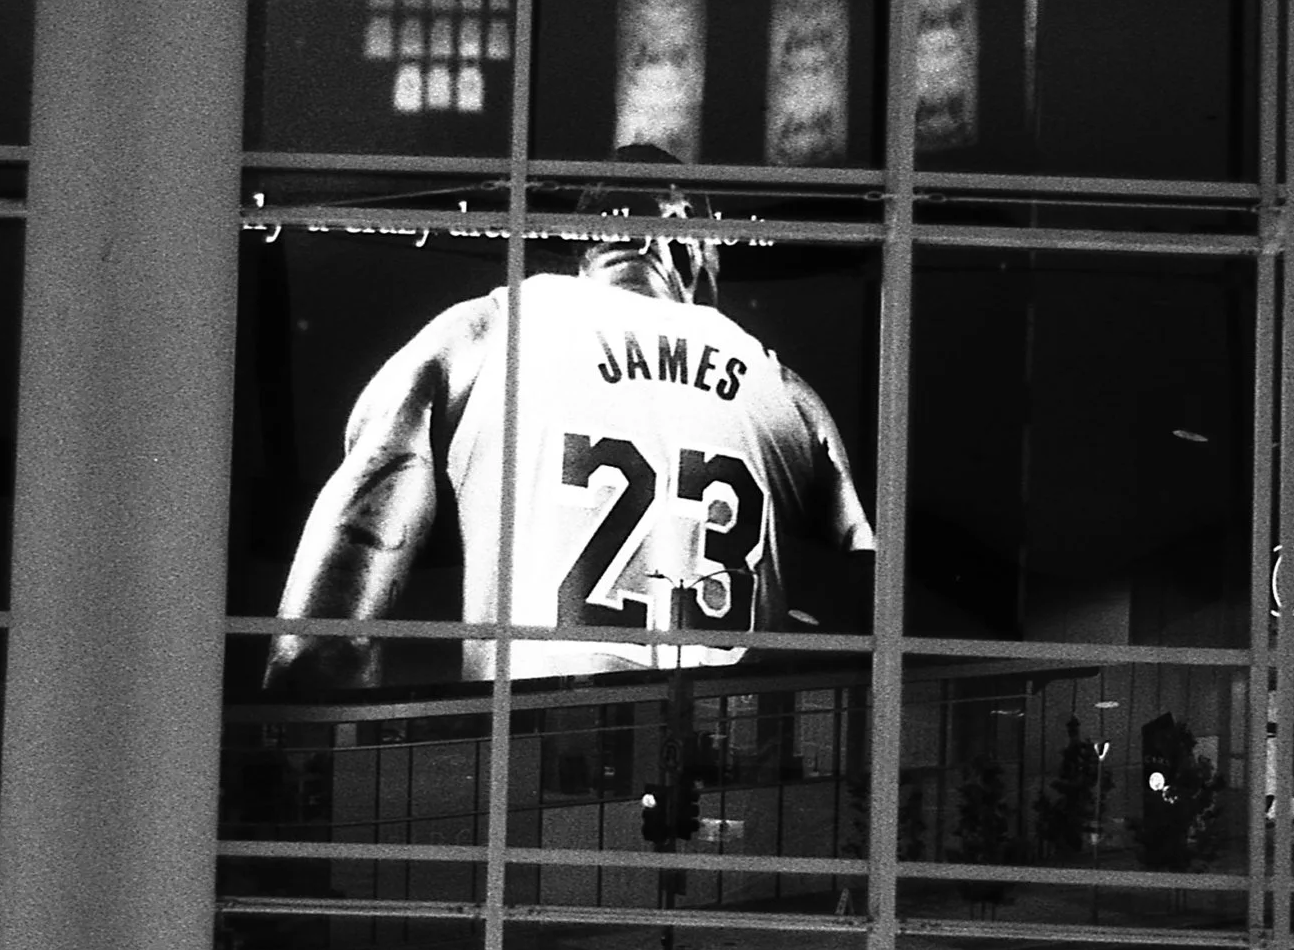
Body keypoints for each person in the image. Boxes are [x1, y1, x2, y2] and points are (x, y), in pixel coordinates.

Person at [267, 161, 875, 692]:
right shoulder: (787, 393)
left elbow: (353, 559)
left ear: (590, 246)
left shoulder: (485, 331)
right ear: (695, 248)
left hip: (539, 747)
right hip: (726, 756)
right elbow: (870, 605)